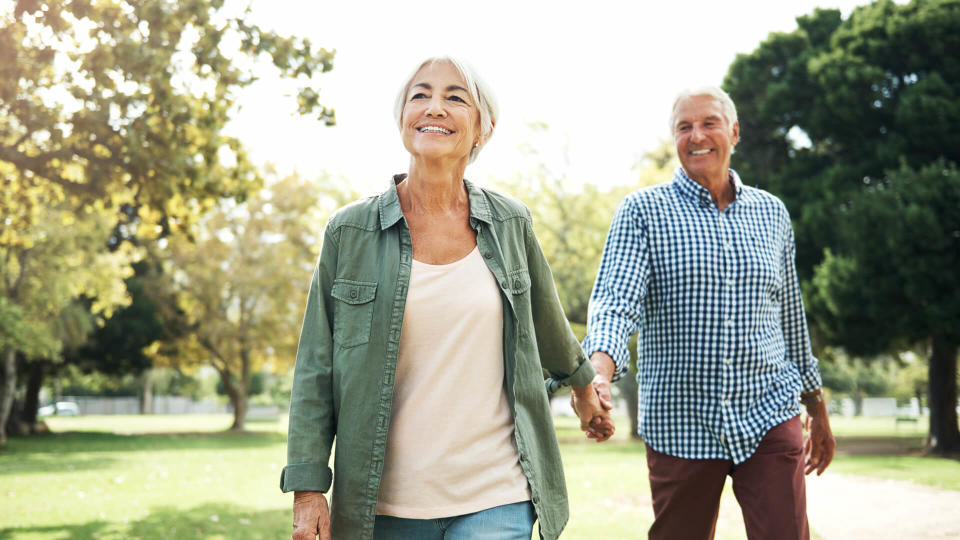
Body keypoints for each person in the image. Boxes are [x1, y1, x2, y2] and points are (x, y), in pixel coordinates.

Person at [281, 56, 613, 540]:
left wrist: (586, 389)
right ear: (402, 120)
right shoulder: (348, 232)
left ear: (483, 128)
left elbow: (549, 325)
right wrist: (308, 489)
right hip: (384, 502)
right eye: (420, 95)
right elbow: (315, 368)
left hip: (496, 493)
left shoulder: (511, 224)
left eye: (455, 97)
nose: (434, 107)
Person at [579, 86, 836, 539]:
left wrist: (815, 404)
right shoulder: (643, 212)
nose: (696, 136)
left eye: (708, 123)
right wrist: (597, 371)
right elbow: (616, 305)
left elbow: (791, 318)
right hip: (680, 419)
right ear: (674, 138)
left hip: (769, 410)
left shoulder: (771, 213)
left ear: (734, 132)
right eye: (684, 127)